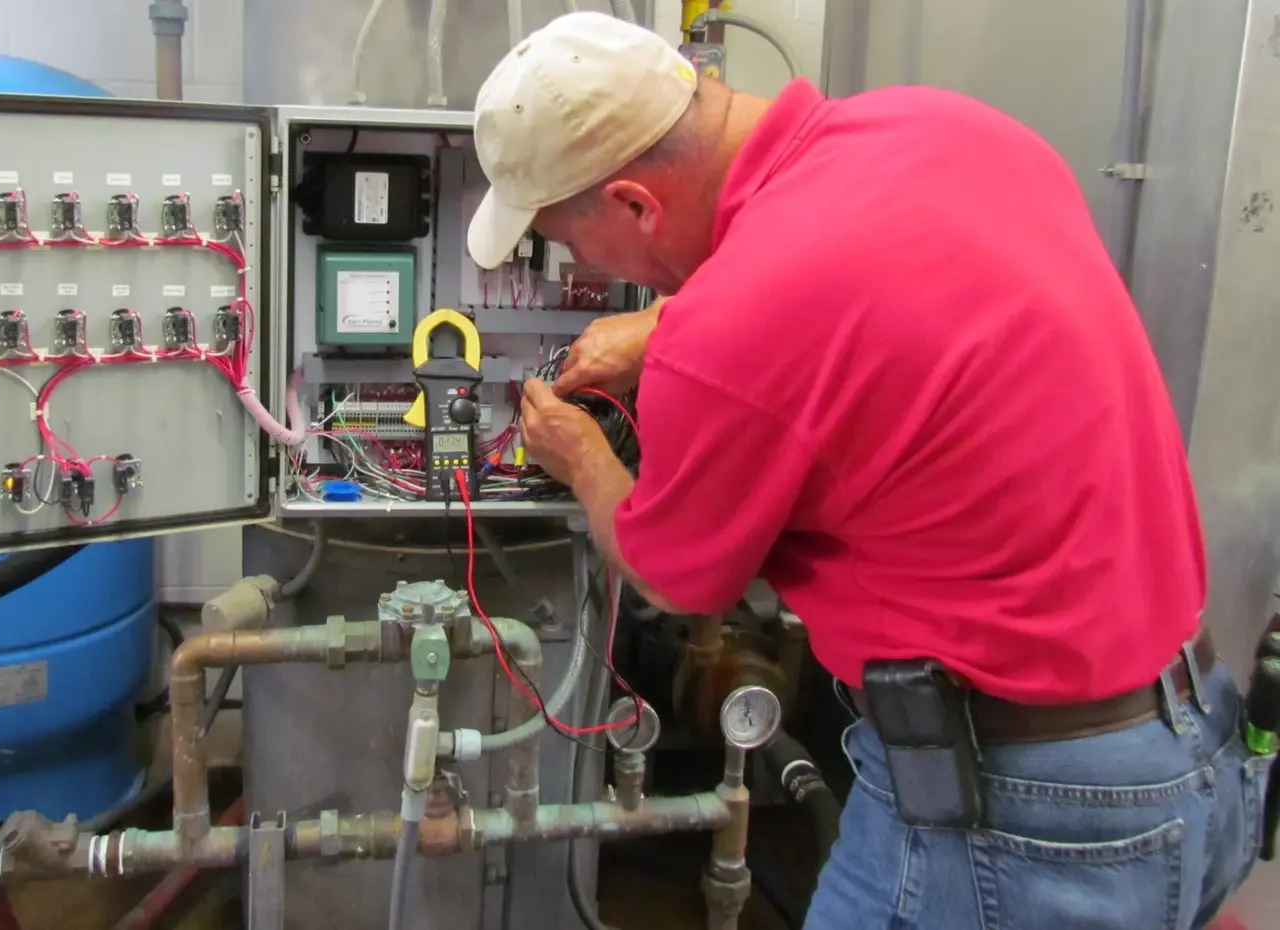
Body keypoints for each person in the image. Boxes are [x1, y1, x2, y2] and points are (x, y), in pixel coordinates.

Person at [466, 11, 1270, 930]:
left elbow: (674, 575)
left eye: (572, 243)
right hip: (1194, 745)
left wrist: (578, 453)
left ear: (635, 204)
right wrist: (666, 323)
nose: (579, 264)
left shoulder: (732, 329)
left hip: (1021, 824)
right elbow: (872, 278)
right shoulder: (946, 126)